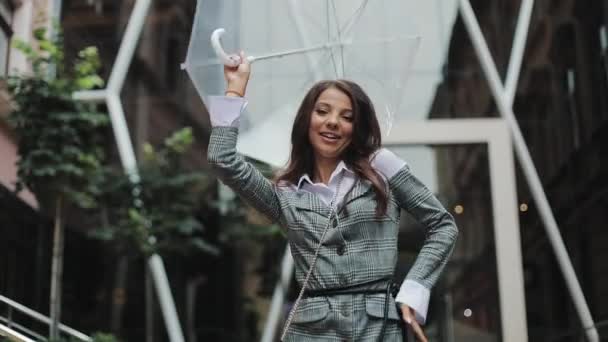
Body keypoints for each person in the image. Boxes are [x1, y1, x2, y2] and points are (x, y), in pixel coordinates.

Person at [207, 52, 458, 342]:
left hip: (377, 327)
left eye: (347, 116)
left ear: (357, 127)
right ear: (307, 120)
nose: (333, 122)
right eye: (322, 111)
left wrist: (414, 290)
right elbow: (222, 160)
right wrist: (235, 87)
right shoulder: (285, 193)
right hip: (311, 331)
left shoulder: (382, 167)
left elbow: (442, 225)